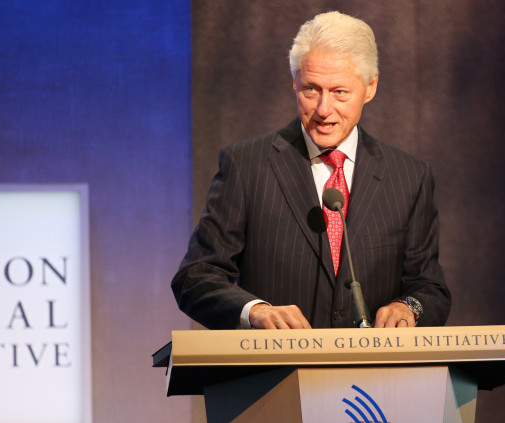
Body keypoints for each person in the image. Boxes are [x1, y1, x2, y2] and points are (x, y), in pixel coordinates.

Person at [171, 11, 450, 330]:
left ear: (370, 87)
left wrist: (408, 307)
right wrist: (255, 311)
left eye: (339, 92)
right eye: (311, 90)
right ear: (295, 83)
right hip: (276, 361)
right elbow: (196, 278)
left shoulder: (409, 177)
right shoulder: (247, 166)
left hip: (371, 362)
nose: (323, 110)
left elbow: (430, 288)